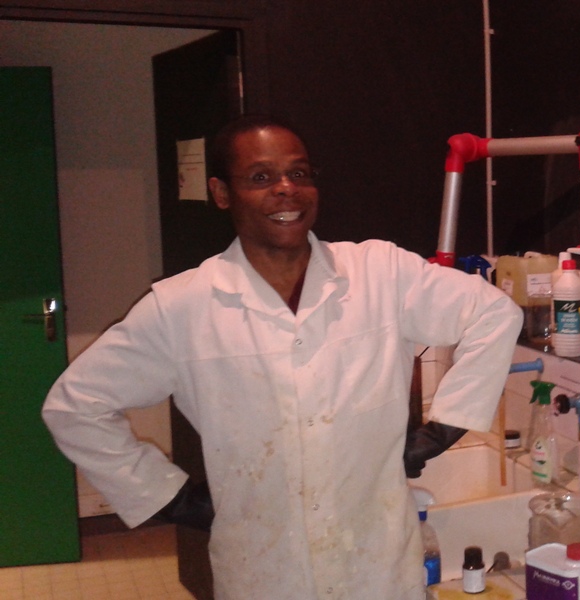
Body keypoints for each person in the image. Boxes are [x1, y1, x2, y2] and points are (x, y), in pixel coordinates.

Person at [41, 115, 523, 599]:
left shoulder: (380, 273)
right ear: (222, 193)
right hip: (262, 572)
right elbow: (75, 405)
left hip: (377, 568)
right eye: (260, 177)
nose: (286, 189)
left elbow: (494, 314)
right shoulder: (182, 307)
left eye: (299, 173)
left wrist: (442, 430)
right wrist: (170, 497)